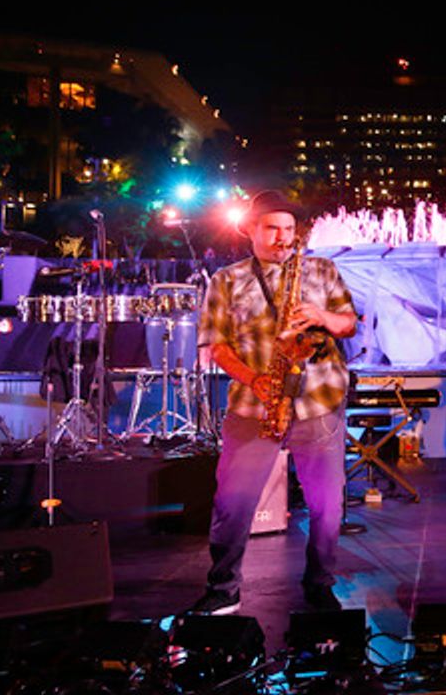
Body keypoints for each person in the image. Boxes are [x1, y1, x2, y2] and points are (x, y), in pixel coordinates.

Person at [188, 190, 358, 615]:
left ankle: (320, 582)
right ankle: (223, 587)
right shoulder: (226, 280)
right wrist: (257, 380)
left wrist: (322, 318)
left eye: (288, 229)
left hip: (319, 401)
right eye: (272, 229)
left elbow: (349, 323)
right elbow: (217, 345)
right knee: (233, 503)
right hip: (255, 404)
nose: (283, 238)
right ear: (249, 229)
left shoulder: (321, 270)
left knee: (327, 506)